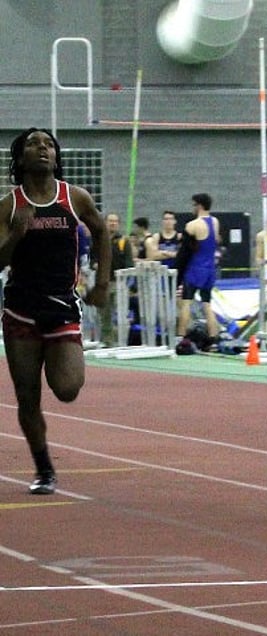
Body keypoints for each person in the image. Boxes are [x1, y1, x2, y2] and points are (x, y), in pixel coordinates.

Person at [0, 127, 111, 494]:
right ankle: (44, 469)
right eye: (33, 144)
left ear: (56, 156)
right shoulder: (9, 205)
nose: (42, 148)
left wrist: (102, 283)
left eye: (48, 144)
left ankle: (57, 355)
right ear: (20, 158)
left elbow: (101, 231)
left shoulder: (74, 198)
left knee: (66, 388)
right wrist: (16, 234)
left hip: (62, 308)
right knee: (27, 397)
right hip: (21, 312)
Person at [176, 192, 221, 342]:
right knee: (207, 304)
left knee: (186, 302)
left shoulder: (192, 225)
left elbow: (184, 253)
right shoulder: (215, 222)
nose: (193, 208)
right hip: (210, 270)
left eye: (194, 205)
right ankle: (214, 336)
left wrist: (178, 274)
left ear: (199, 205)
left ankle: (181, 337)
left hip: (195, 269)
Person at [96, 212, 134, 346]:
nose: (113, 223)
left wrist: (128, 282)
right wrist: (94, 265)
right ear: (105, 222)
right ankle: (107, 341)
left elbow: (129, 263)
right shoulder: (98, 239)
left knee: (121, 312)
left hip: (119, 282)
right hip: (103, 282)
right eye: (110, 221)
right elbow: (92, 259)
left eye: (115, 221)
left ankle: (122, 341)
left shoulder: (124, 241)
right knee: (104, 313)